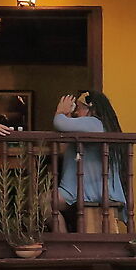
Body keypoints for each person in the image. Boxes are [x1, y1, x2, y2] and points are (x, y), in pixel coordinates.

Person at [53, 91, 124, 232]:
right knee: (44, 203)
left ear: (92, 109)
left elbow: (60, 124)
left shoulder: (94, 123)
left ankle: (62, 238)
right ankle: (63, 238)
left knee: (43, 203)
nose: (76, 112)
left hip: (88, 190)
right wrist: (67, 116)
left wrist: (60, 112)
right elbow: (64, 142)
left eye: (79, 108)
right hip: (80, 189)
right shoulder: (92, 126)